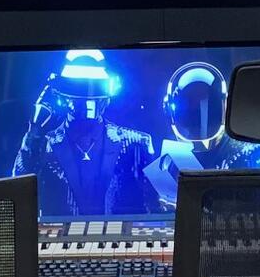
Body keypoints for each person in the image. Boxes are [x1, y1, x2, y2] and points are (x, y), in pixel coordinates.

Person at [10, 50, 161, 216]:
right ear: (62, 95)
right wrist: (34, 131)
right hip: (61, 232)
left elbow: (156, 207)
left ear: (107, 96)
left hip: (120, 232)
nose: (88, 101)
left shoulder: (137, 143)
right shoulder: (42, 146)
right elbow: (18, 190)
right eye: (79, 90)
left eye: (95, 90)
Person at [140, 62, 260, 209]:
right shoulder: (166, 164)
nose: (198, 117)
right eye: (190, 106)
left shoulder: (251, 154)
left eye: (206, 106)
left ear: (224, 107)